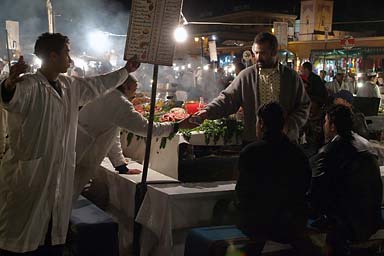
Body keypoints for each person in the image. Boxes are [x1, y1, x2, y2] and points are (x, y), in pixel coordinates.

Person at [0, 32, 140, 255]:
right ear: (53, 56)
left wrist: (126, 71)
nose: (70, 58)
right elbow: (11, 96)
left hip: (58, 175)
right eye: (67, 52)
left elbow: (99, 84)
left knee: (52, 236)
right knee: (20, 240)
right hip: (30, 176)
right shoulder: (29, 85)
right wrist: (8, 83)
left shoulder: (69, 86)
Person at [73, 75, 192, 200]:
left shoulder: (106, 94)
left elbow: (112, 135)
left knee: (68, 194)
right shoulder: (119, 102)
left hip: (79, 148)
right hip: (83, 152)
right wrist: (176, 126)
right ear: (126, 86)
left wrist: (120, 165)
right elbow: (145, 128)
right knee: (66, 195)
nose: (135, 94)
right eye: (134, 89)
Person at [195, 32, 310, 143]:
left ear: (274, 52)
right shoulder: (246, 76)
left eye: (263, 53)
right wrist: (207, 111)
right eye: (256, 53)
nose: (257, 58)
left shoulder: (291, 77)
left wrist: (290, 125)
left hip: (285, 141)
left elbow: (304, 106)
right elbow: (227, 99)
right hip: (254, 140)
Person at [236, 102, 314, 255]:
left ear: (262, 124)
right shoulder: (298, 153)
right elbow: (305, 185)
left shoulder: (250, 152)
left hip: (260, 224)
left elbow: (242, 192)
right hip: (293, 222)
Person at [309, 104, 382, 256]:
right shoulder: (366, 145)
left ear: (333, 126)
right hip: (372, 217)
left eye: (326, 122)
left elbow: (316, 196)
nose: (324, 125)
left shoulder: (329, 152)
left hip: (346, 223)